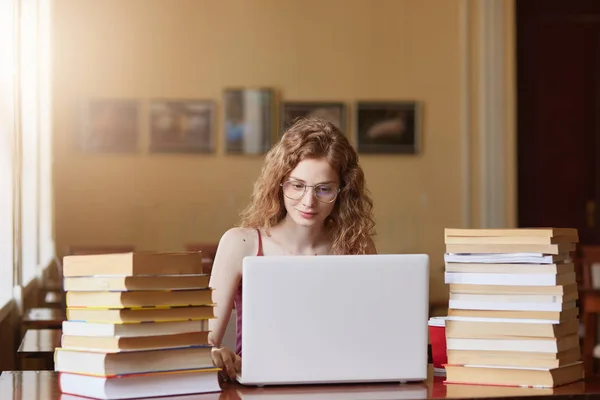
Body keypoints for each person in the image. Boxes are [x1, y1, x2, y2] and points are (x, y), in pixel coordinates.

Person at [207, 117, 377, 380]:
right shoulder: (240, 244)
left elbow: (371, 335)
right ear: (279, 183)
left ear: (342, 191)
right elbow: (206, 342)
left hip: (339, 384)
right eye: (297, 185)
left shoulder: (357, 246)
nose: (308, 201)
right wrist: (215, 354)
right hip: (257, 388)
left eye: (324, 189)